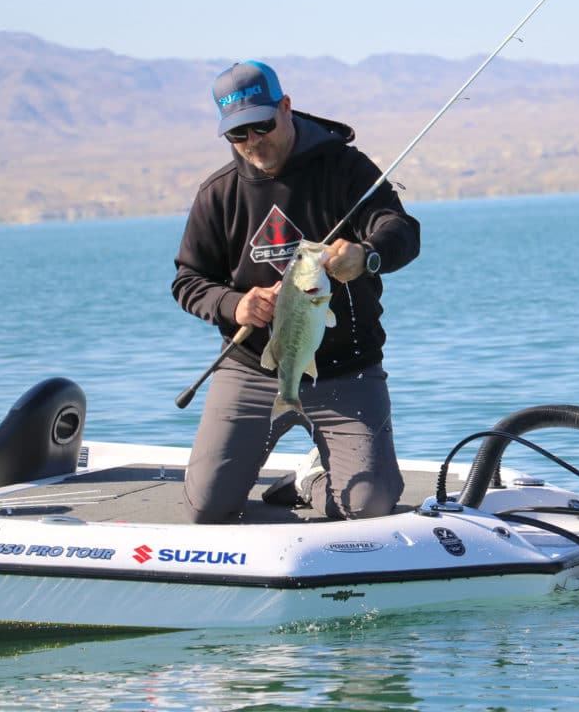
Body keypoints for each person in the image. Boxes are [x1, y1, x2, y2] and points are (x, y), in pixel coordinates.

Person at [172, 60, 420, 523]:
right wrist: (234, 305)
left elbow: (402, 232)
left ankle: (311, 482)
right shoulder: (219, 194)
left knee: (369, 508)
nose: (252, 142)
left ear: (285, 107)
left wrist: (366, 255)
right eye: (237, 134)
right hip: (252, 370)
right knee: (208, 507)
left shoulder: (345, 169)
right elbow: (188, 281)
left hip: (347, 370)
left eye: (261, 126)